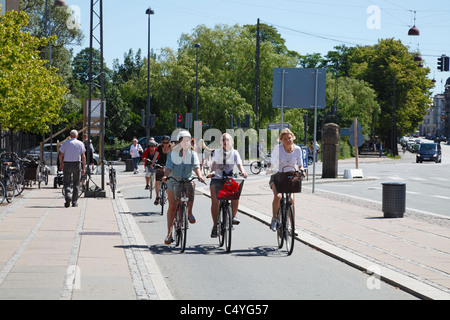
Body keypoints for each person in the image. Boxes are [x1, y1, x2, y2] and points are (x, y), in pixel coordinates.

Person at [161, 131, 205, 245]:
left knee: (191, 186)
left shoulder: (192, 154)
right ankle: (169, 234)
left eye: (188, 140)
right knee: (172, 206)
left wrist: (200, 176)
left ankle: (189, 213)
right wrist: (165, 176)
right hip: (173, 181)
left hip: (186, 179)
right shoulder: (172, 154)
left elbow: (196, 167)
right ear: (179, 141)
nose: (186, 142)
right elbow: (169, 167)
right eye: (184, 140)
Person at [207, 133, 247, 238]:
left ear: (231, 142)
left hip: (229, 178)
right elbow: (214, 164)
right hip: (217, 178)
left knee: (235, 193)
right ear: (221, 142)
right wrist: (212, 172)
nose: (226, 142)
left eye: (228, 140)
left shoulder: (234, 153)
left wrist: (243, 172)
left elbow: (239, 164)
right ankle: (215, 225)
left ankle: (233, 216)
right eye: (223, 140)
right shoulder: (217, 152)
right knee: (215, 202)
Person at [268, 129, 305, 231]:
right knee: (278, 196)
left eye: (289, 138)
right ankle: (274, 218)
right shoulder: (278, 149)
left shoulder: (297, 149)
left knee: (291, 200)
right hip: (278, 176)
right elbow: (272, 162)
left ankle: (293, 227)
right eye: (285, 139)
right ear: (281, 140)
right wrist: (270, 168)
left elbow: (300, 165)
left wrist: (302, 170)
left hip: (290, 177)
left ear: (293, 138)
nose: (288, 140)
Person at [59, 130, 86, 208]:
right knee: (76, 183)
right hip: (77, 164)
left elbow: (61, 155)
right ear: (77, 136)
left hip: (67, 163)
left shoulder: (65, 143)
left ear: (70, 136)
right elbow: (83, 156)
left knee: (66, 182)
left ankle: (68, 196)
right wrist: (83, 167)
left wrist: (61, 164)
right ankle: (74, 202)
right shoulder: (80, 143)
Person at [151, 135, 172, 205]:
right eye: (164, 142)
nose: (165, 144)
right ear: (162, 142)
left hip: (169, 165)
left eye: (167, 142)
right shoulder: (160, 148)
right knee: (157, 180)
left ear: (169, 142)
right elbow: (155, 156)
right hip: (160, 164)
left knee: (169, 181)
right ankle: (157, 197)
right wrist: (153, 163)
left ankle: (169, 194)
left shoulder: (172, 148)